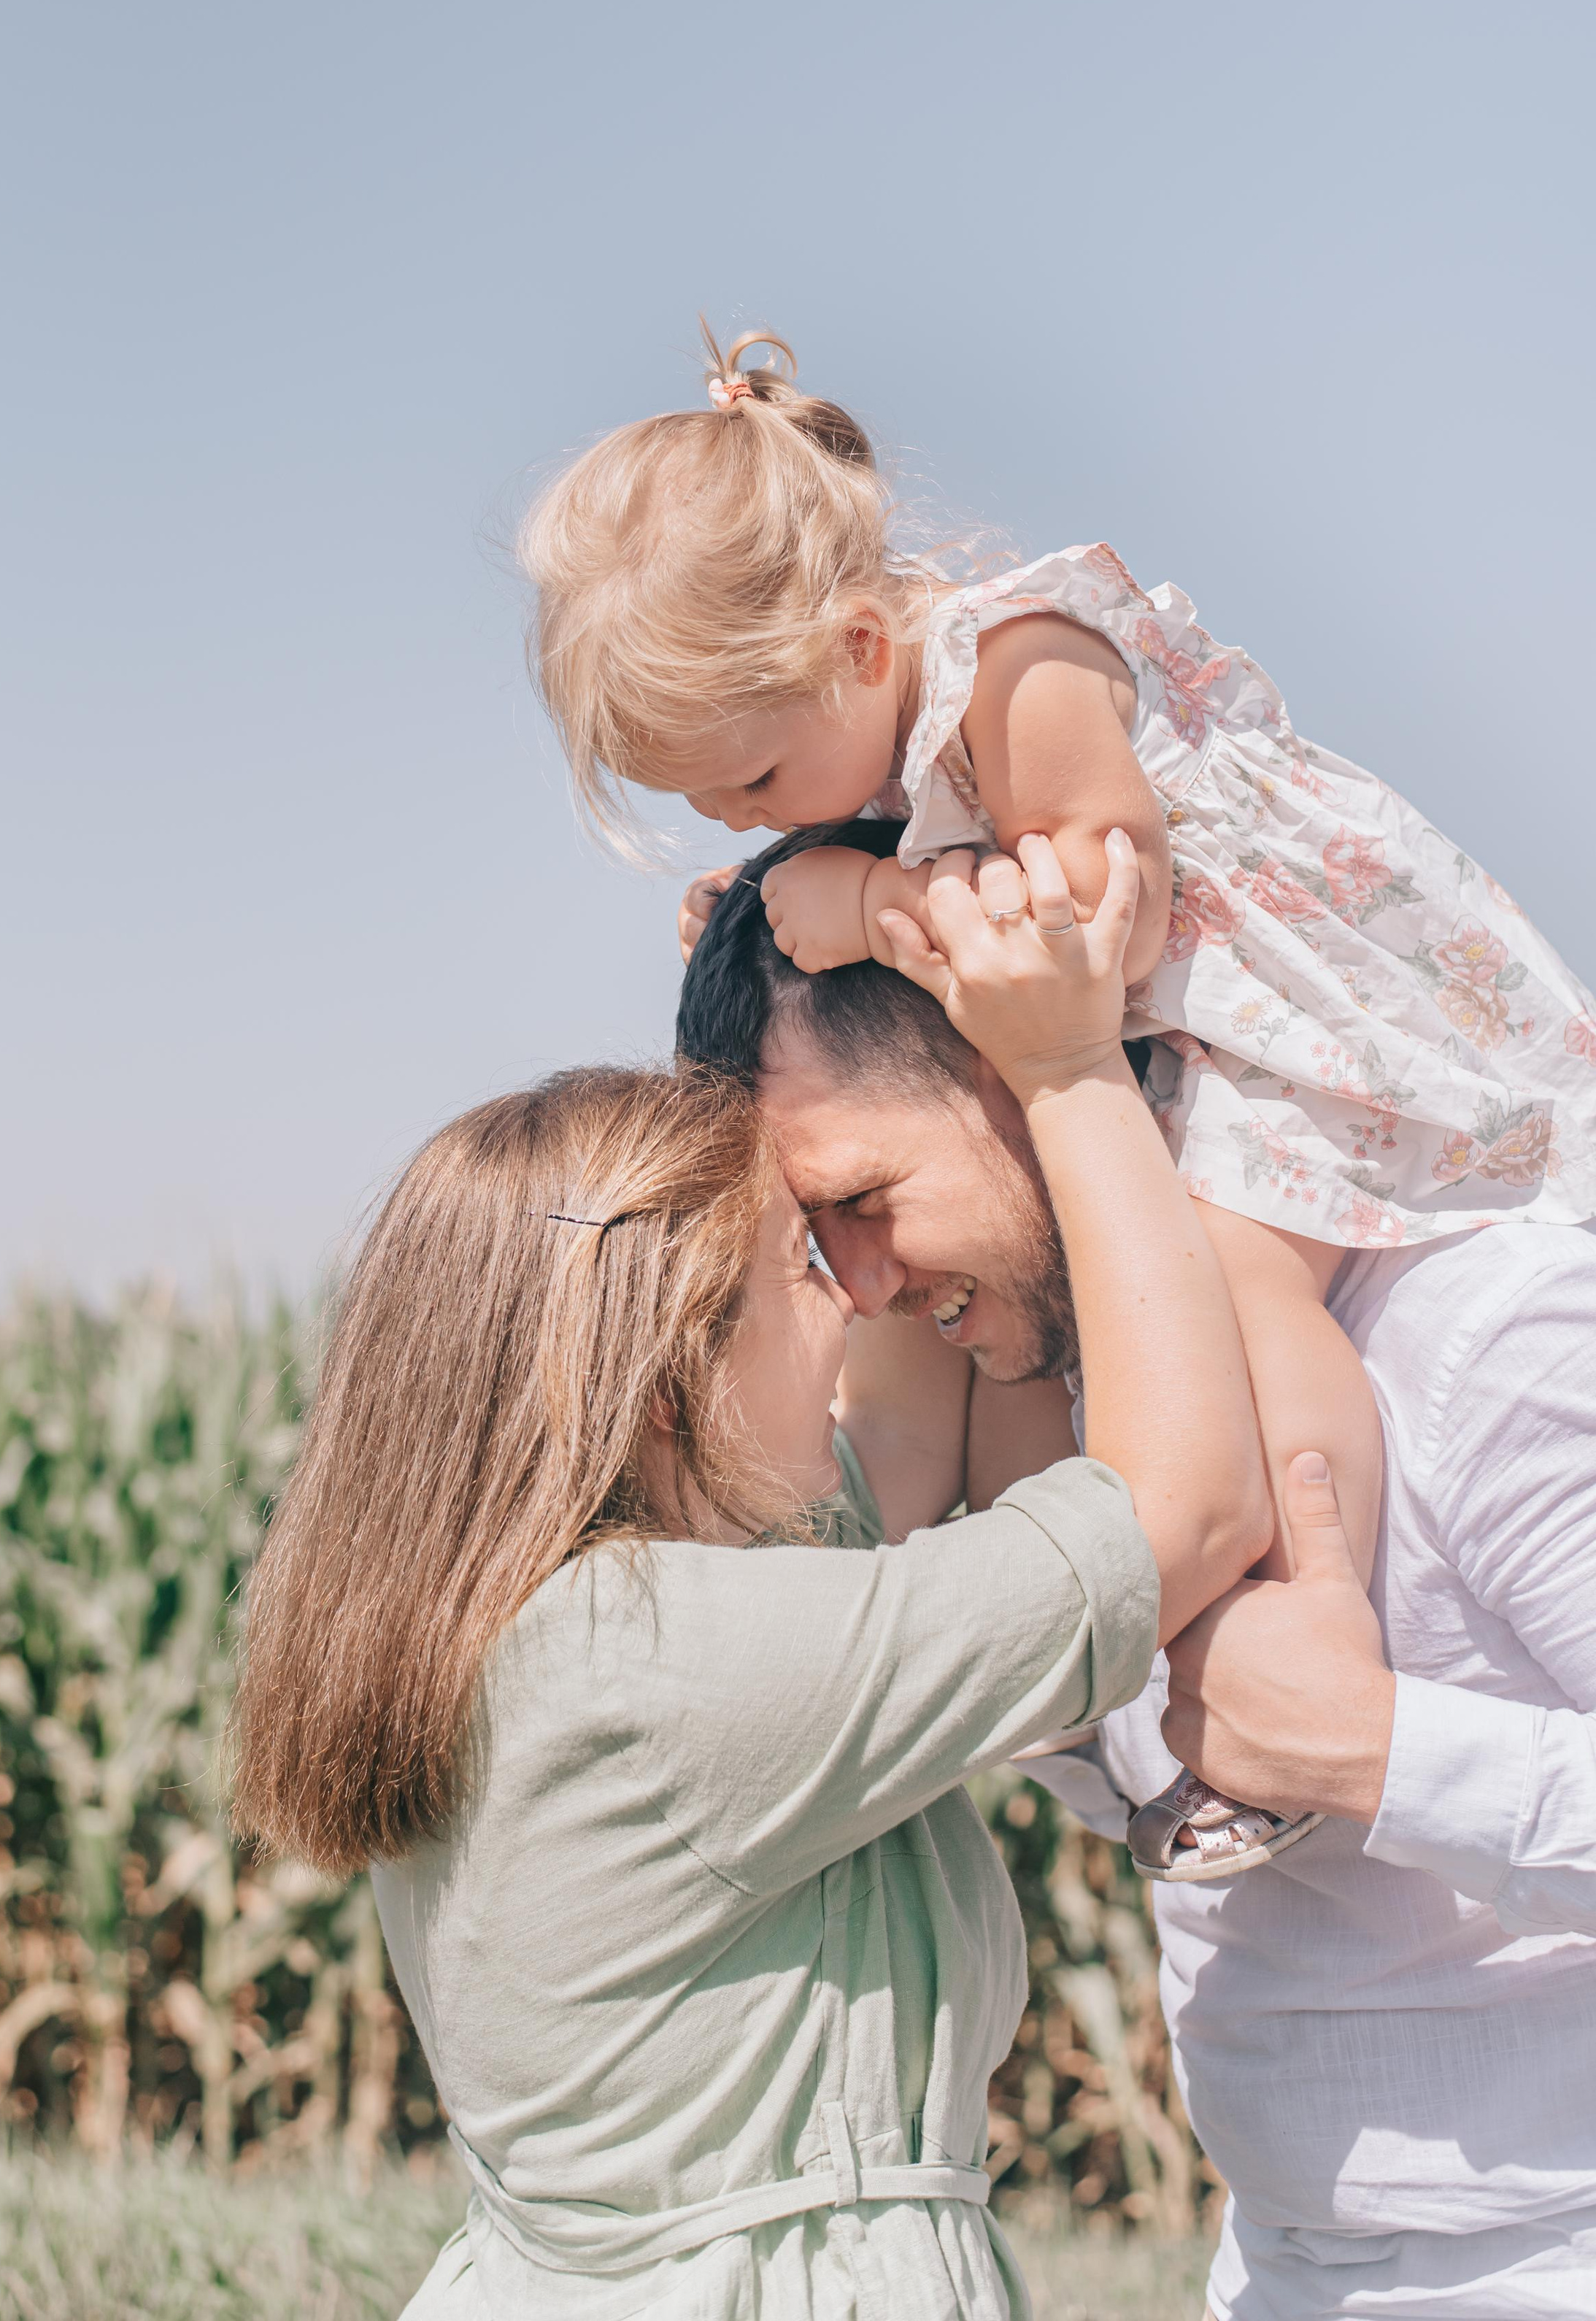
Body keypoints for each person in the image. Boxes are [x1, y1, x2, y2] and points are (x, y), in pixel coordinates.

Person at [518, 326, 1596, 1875]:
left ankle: (1299, 1617)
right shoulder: (880, 740)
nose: (750, 819)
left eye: (751, 783)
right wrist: (785, 906)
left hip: (1293, 1017)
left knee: (1236, 1294)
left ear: (855, 650)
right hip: (1177, 1035)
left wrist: (870, 902)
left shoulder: (1014, 665)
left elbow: (1102, 918)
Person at [231, 840, 1271, 2320]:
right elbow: (1185, 1509)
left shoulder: (590, 1616)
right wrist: (1066, 1071)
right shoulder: (671, 1670)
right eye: (802, 1258)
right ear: (669, 1382)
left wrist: (788, 976)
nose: (856, 1296)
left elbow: (927, 1422)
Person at [678, 828, 1596, 2321]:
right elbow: (1157, 1789)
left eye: (863, 1199)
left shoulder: (1483, 1343)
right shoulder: (1105, 1403)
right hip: (1282, 2270)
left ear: (1009, 1065)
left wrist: (1377, 1750)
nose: (860, 1285)